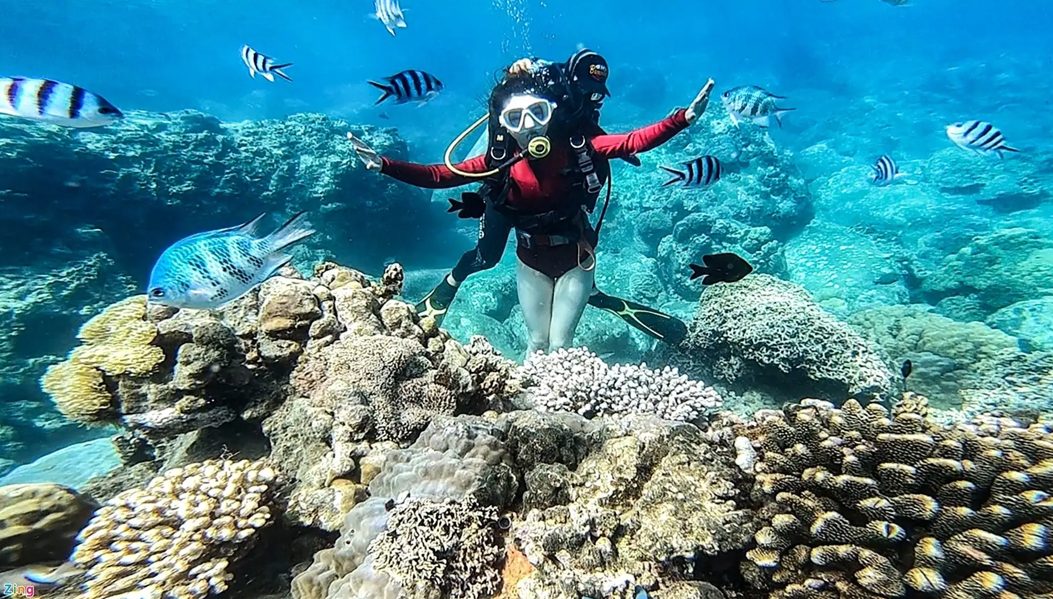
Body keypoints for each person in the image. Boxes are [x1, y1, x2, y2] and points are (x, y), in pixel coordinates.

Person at [350, 60, 714, 352]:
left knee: (559, 344)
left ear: (551, 111)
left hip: (576, 256)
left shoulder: (579, 144)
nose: (528, 127)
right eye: (514, 119)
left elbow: (632, 141)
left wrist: (681, 119)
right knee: (528, 329)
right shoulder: (498, 160)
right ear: (504, 125)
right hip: (528, 256)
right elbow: (441, 174)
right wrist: (386, 166)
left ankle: (590, 291)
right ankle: (458, 275)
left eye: (537, 113)